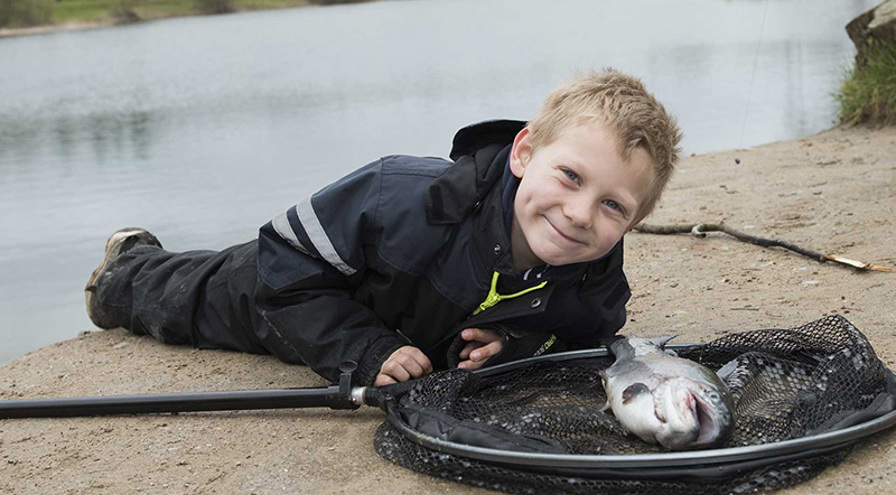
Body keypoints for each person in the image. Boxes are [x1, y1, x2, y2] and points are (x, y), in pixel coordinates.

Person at [84, 69, 682, 387]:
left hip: (392, 315)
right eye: (571, 176)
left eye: (613, 206)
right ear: (524, 153)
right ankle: (125, 266)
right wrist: (367, 350)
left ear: (637, 219)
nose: (580, 214)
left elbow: (584, 333)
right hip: (290, 287)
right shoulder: (399, 196)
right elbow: (282, 266)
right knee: (190, 296)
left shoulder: (596, 273)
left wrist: (516, 344)